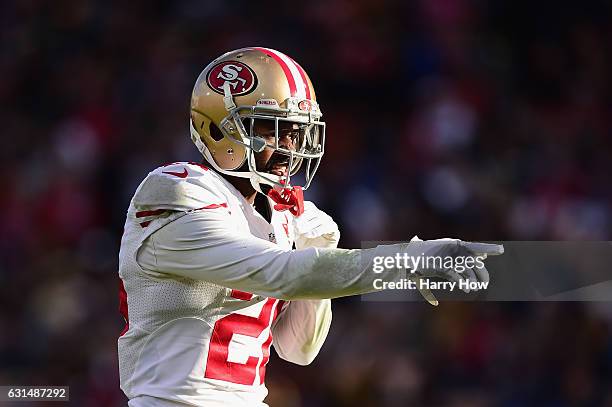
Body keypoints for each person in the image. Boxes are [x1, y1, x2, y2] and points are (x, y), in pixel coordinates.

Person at [117, 47, 503, 406]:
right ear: (218, 129)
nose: (289, 145)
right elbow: (283, 274)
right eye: (270, 128)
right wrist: (405, 261)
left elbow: (299, 349)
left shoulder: (280, 213)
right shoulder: (177, 192)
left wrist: (317, 252)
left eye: (296, 130)